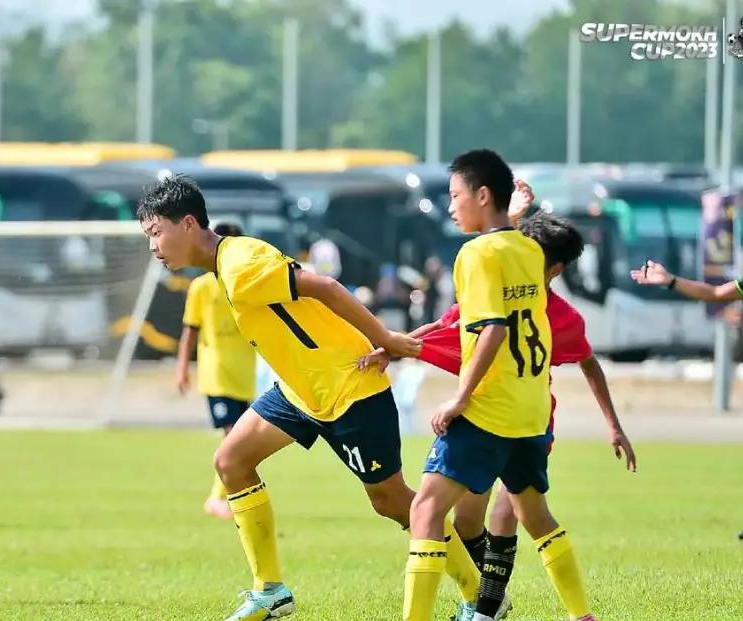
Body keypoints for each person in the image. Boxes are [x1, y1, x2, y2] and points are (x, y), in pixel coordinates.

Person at [136, 174, 486, 621]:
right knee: (231, 461)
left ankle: (480, 596)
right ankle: (270, 591)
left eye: (156, 233)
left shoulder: (240, 264)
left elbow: (327, 287)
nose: (153, 246)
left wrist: (385, 339)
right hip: (300, 392)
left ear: (187, 224)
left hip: (349, 388)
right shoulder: (226, 265)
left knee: (392, 501)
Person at [365, 211, 637, 620]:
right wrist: (393, 348)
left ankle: (485, 609)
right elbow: (445, 323)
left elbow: (583, 360)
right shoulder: (507, 289)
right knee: (474, 520)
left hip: (496, 414)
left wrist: (614, 425)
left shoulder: (551, 312)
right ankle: (513, 605)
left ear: (552, 269)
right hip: (525, 418)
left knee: (495, 513)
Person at [398, 149, 595, 621]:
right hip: (531, 411)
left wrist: (459, 398)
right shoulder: (529, 251)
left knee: (425, 511)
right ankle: (582, 616)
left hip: (488, 409)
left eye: (455, 196)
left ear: (482, 195)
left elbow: (492, 328)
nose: (451, 207)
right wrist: (514, 216)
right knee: (537, 517)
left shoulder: (476, 253)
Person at [175, 222, 256, 520]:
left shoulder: (247, 284)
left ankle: (231, 496)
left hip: (244, 374)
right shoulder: (201, 286)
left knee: (240, 441)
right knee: (233, 438)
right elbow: (190, 330)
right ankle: (218, 498)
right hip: (216, 373)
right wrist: (182, 368)